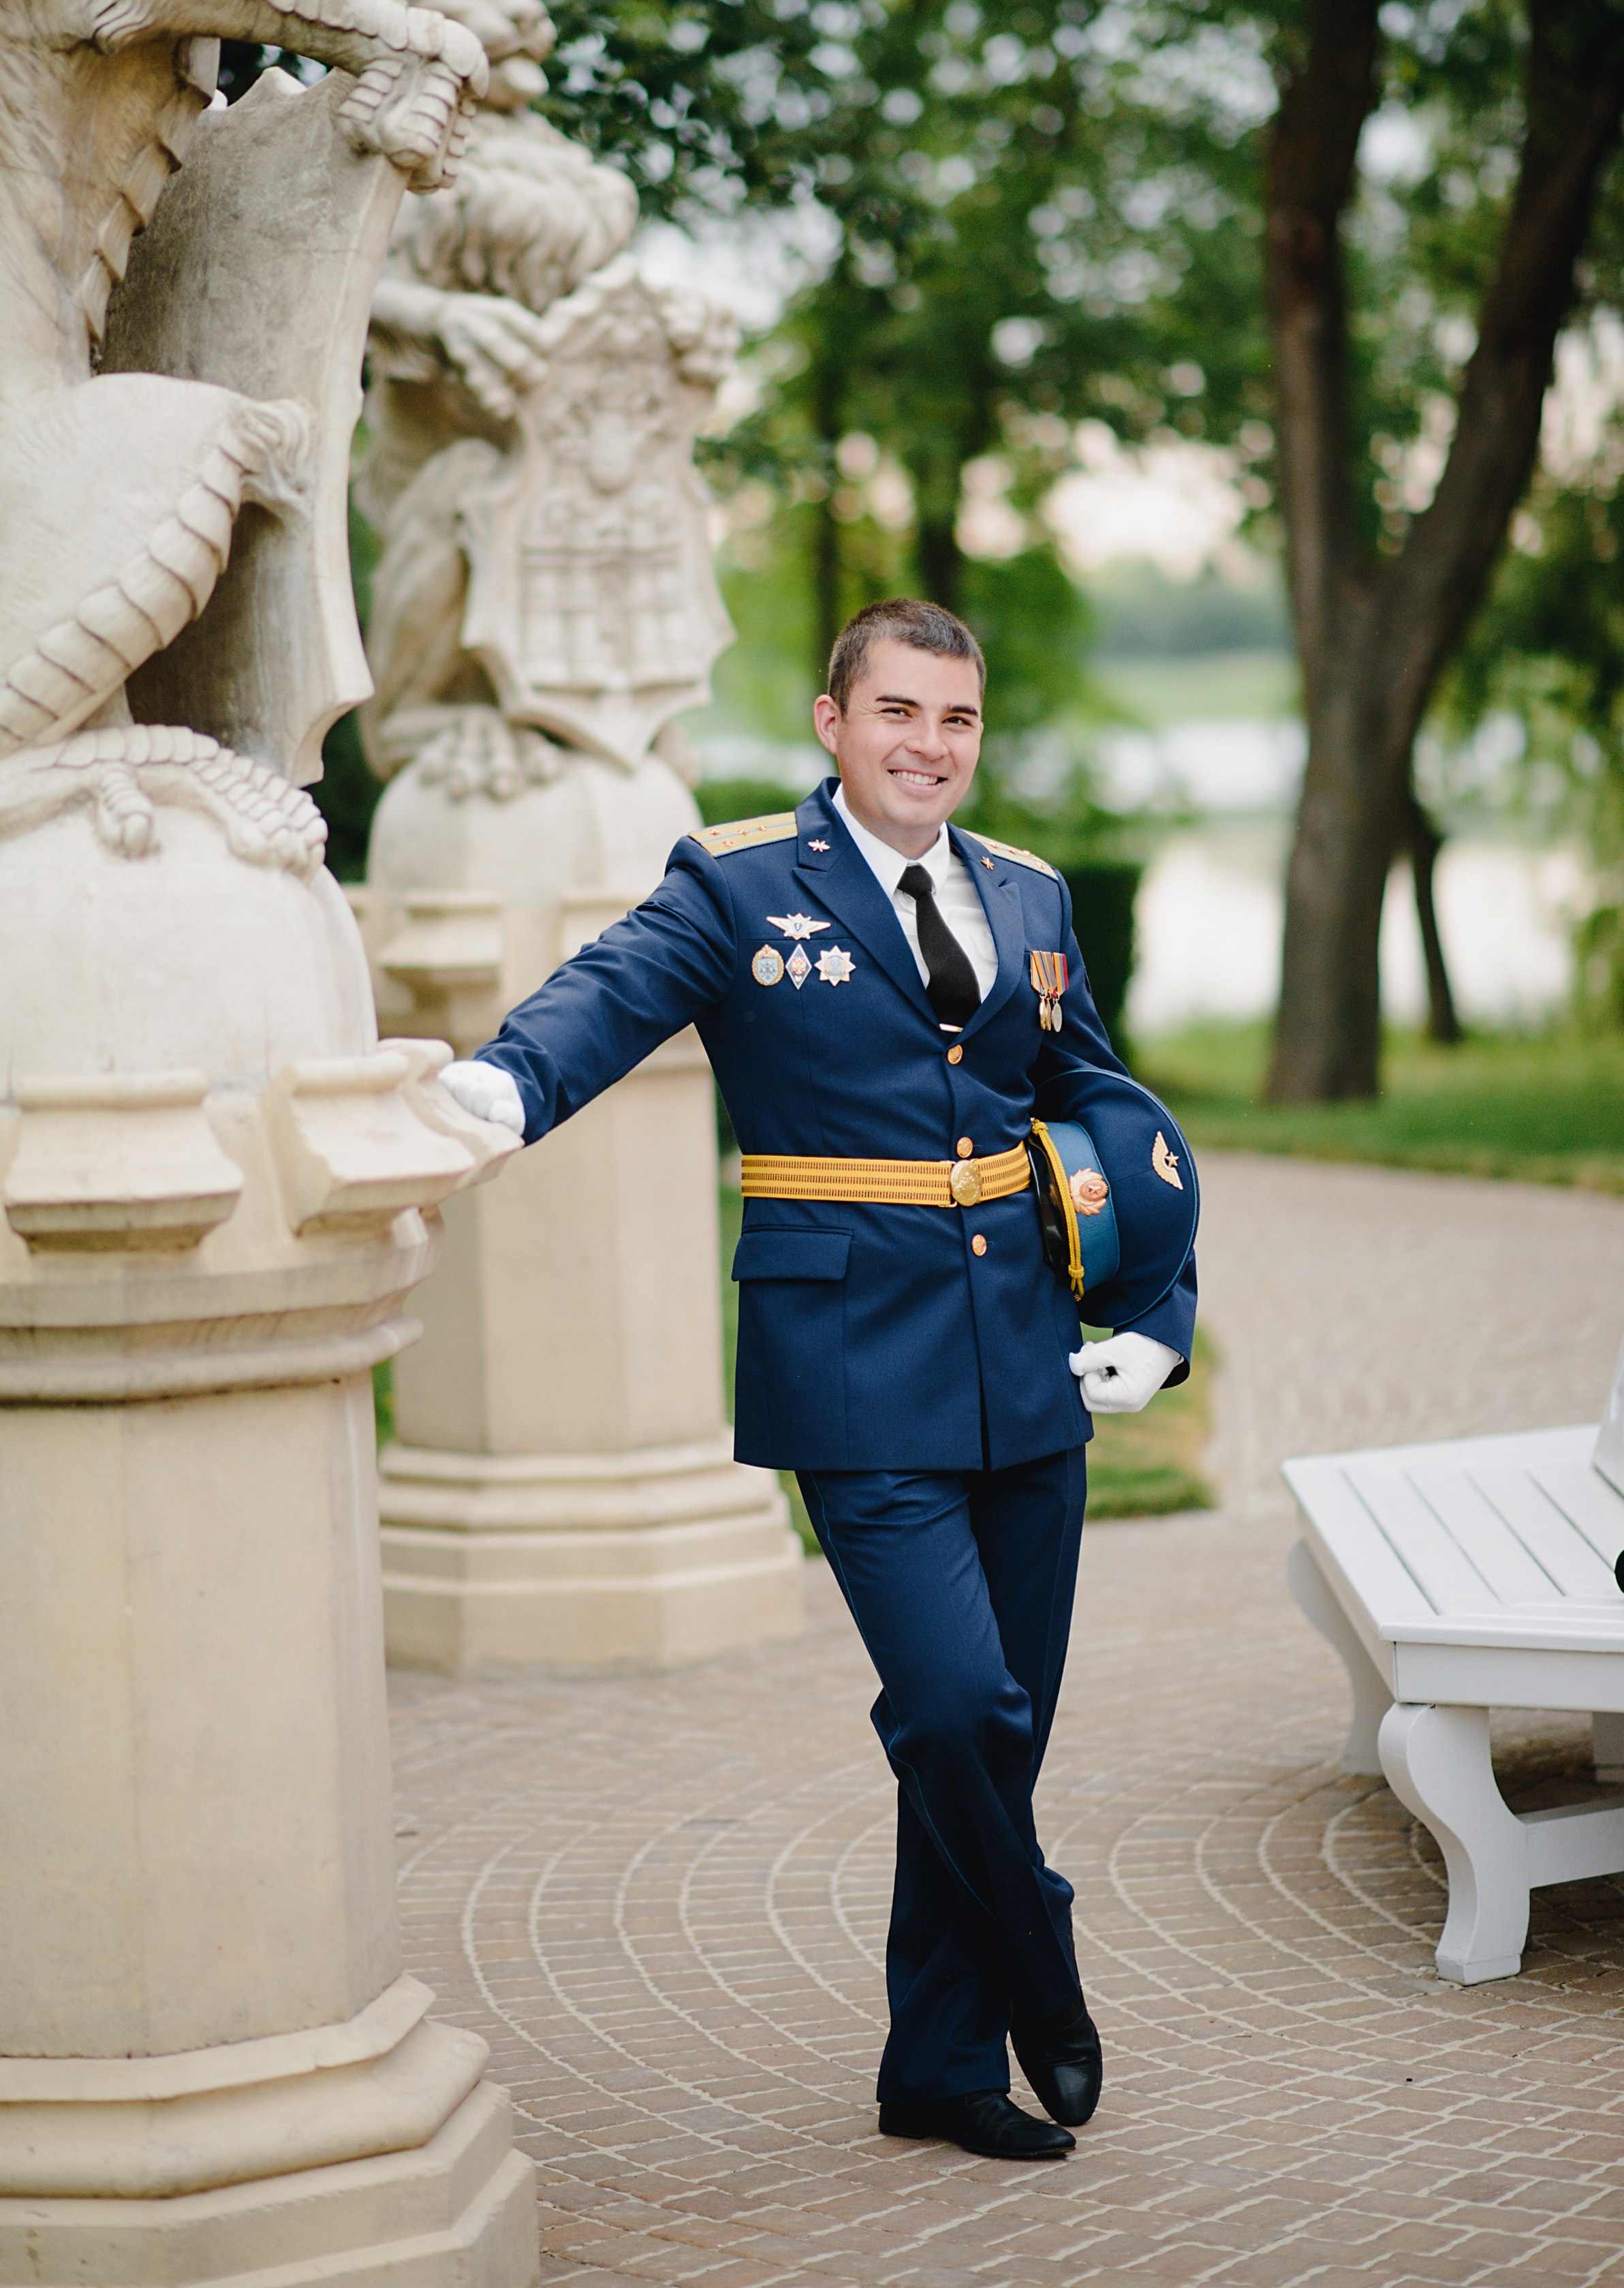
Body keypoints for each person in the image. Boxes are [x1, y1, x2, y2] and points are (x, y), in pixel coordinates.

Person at [440, 597, 1198, 2163]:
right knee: (949, 1700)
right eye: (900, 713)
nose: (930, 745)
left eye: (957, 719)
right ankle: (1033, 1949)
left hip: (1023, 1364)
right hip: (850, 1359)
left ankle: (933, 2065)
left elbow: (1109, 1112)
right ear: (832, 721)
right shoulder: (733, 881)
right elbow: (607, 996)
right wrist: (493, 1087)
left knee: (999, 1729)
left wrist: (1162, 1302)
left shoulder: (1028, 894)